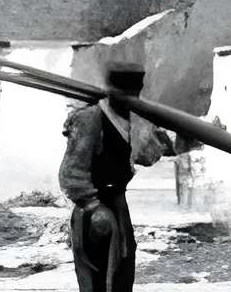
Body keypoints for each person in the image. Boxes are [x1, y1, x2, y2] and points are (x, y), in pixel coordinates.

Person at [58, 64, 167, 292]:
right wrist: (93, 207)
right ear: (112, 90)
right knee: (97, 278)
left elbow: (149, 153)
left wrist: (194, 137)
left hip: (118, 206)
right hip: (93, 212)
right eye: (127, 92)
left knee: (122, 275)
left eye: (136, 92)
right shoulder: (90, 118)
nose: (132, 98)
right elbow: (71, 173)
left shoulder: (131, 119)